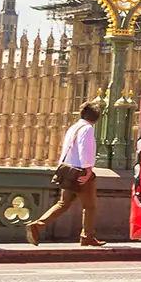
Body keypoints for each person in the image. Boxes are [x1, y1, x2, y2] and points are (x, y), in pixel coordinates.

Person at [28, 102, 103, 247]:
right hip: (80, 173)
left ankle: (37, 226)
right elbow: (84, 151)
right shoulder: (87, 129)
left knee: (63, 204)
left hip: (68, 172)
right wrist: (87, 171)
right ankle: (87, 236)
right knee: (90, 206)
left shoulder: (74, 127)